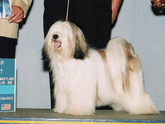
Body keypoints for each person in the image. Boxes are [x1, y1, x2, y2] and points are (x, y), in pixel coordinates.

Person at [43, 0, 123, 109]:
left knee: (99, 68)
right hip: (58, 5)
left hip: (94, 8)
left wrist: (114, 5)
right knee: (57, 60)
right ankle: (63, 105)